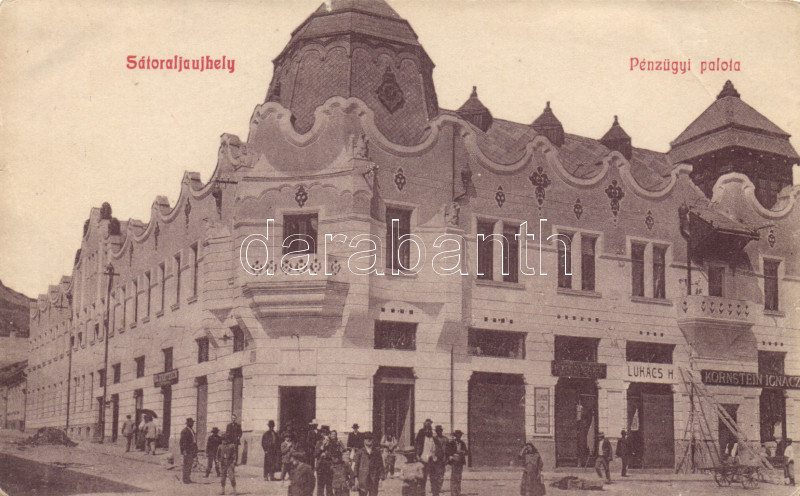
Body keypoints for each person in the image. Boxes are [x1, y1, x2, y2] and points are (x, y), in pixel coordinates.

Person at [315, 425, 334, 496]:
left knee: (329, 487)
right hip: (320, 467)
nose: (325, 435)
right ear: (321, 434)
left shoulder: (332, 443)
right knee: (320, 487)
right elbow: (315, 454)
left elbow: (335, 454)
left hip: (329, 467)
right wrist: (321, 448)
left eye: (326, 433)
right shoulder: (319, 443)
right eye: (323, 433)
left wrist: (326, 454)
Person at [448, 430, 468, 496]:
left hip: (460, 462)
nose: (459, 436)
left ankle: (458, 492)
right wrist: (452, 454)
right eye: (457, 435)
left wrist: (463, 452)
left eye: (460, 435)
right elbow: (448, 451)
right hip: (454, 461)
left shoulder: (462, 443)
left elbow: (466, 452)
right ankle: (453, 492)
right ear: (455, 436)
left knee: (459, 477)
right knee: (454, 477)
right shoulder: (451, 443)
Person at [429, 426, 448, 496]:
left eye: (440, 430)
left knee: (441, 474)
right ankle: (434, 488)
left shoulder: (445, 439)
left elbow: (448, 449)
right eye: (437, 431)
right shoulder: (433, 439)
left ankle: (439, 488)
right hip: (435, 458)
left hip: (442, 459)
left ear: (442, 431)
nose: (439, 432)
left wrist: (446, 458)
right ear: (436, 431)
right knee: (433, 474)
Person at [180, 417, 198, 484]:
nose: (192, 424)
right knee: (186, 464)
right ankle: (185, 479)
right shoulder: (185, 431)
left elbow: (194, 440)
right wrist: (184, 450)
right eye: (191, 423)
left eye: (193, 422)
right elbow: (183, 442)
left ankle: (188, 478)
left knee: (190, 464)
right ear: (188, 423)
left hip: (192, 449)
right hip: (187, 450)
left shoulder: (191, 430)